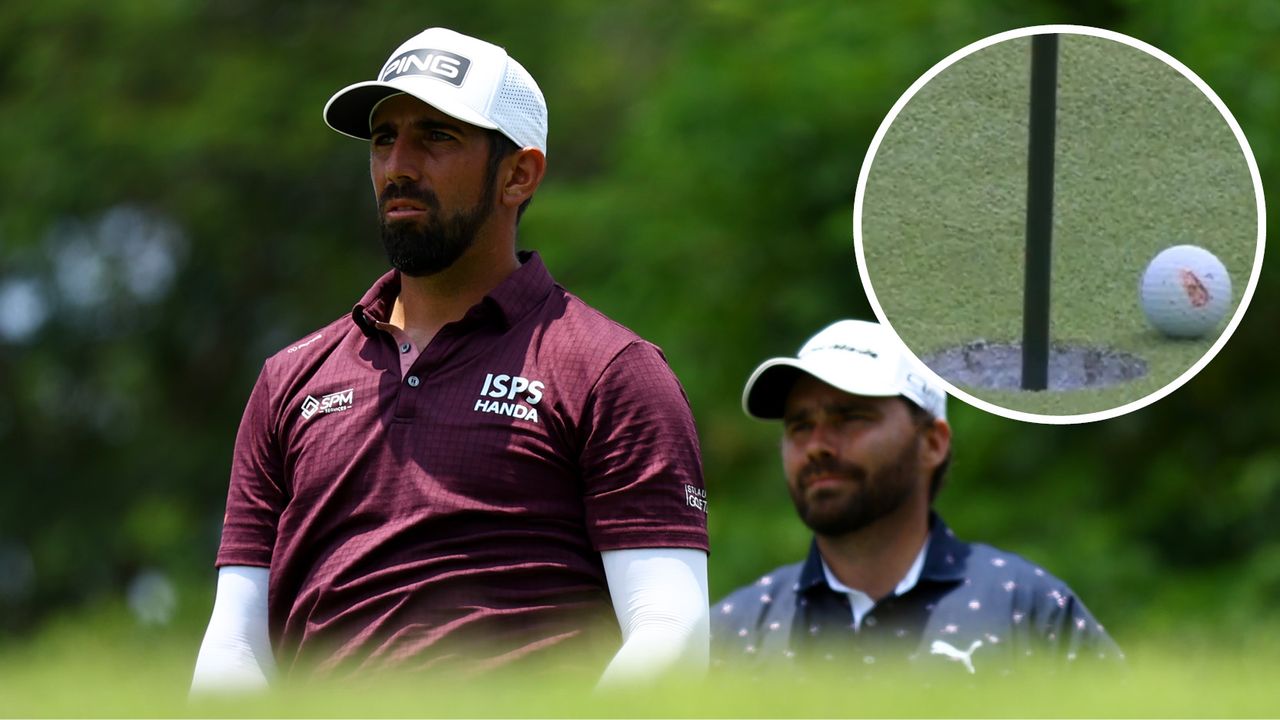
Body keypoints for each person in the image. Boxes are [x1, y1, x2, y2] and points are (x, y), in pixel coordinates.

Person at [191, 27, 709, 691]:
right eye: (384, 139)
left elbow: (672, 627)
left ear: (519, 174)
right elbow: (235, 645)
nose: (398, 165)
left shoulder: (611, 370)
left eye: (436, 136)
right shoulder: (290, 378)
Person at [712, 319, 1120, 677]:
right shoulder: (732, 633)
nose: (817, 445)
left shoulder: (1027, 608)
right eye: (800, 425)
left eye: (850, 417)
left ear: (932, 442)